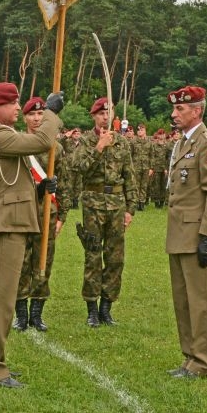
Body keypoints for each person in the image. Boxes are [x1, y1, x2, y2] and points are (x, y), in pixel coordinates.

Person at [0, 83, 62, 388]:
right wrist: (50, 112)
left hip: (6, 222)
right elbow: (42, 140)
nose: (16, 107)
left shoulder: (1, 135)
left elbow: (10, 182)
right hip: (3, 225)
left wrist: (38, 190)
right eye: (12, 103)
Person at [164, 85, 207, 380]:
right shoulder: (182, 143)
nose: (174, 114)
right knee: (183, 300)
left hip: (196, 234)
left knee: (200, 301)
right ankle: (190, 357)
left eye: (180, 109)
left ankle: (202, 361)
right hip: (178, 232)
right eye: (174, 108)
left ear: (197, 111)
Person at [70, 97, 137, 327]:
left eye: (109, 113)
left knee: (115, 258)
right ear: (94, 116)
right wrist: (99, 148)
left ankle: (106, 307)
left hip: (117, 204)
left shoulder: (121, 143)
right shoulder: (86, 141)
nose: (105, 117)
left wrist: (130, 209)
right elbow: (78, 168)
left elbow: (129, 177)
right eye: (101, 113)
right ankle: (91, 309)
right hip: (93, 203)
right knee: (92, 256)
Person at [13, 97, 69, 333]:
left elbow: (64, 183)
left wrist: (62, 216)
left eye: (41, 115)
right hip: (22, 212)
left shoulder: (55, 149)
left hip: (48, 213)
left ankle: (37, 313)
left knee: (44, 261)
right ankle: (21, 314)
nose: (37, 119)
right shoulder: (18, 144)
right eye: (32, 115)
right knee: (20, 262)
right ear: (24, 118)